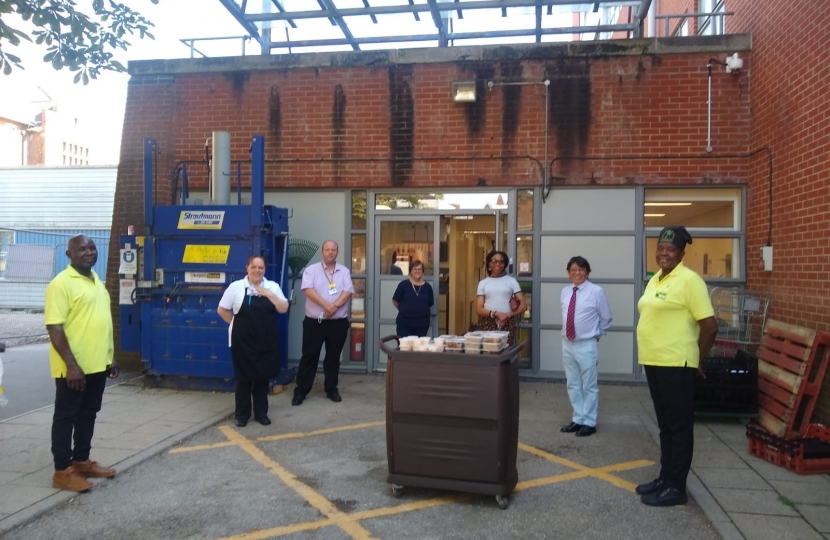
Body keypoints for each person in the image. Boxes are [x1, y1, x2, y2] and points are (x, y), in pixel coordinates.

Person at [635, 226, 717, 507]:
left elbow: (709, 326)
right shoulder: (656, 279)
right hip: (654, 361)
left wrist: (697, 359)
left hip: (676, 363)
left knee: (679, 427)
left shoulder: (690, 281)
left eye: (670, 250)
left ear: (682, 253)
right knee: (665, 426)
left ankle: (676, 488)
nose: (664, 253)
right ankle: (665, 477)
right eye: (660, 248)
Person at [45, 235, 119, 492]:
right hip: (73, 368)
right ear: (69, 255)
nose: (88, 252)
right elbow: (54, 326)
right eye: (81, 249)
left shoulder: (97, 281)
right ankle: (62, 470)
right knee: (66, 417)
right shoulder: (61, 284)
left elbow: (101, 322)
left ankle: (81, 460)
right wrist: (72, 365)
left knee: (88, 414)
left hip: (98, 364)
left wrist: (110, 357)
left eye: (92, 247)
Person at [218, 255, 289, 427]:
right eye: (254, 267)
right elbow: (222, 310)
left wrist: (267, 293)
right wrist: (237, 326)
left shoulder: (272, 286)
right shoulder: (235, 287)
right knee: (243, 379)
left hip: (266, 341)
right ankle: (241, 415)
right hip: (242, 342)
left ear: (264, 269)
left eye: (261, 267)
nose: (257, 270)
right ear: (247, 267)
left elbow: (283, 308)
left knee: (262, 379)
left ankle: (261, 413)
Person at [292, 240, 354, 406]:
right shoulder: (311, 270)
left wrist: (334, 307)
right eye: (327, 249)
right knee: (309, 356)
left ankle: (331, 389)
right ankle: (301, 391)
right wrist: (327, 305)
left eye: (333, 250)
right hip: (315, 322)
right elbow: (308, 290)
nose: (330, 252)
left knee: (333, 358)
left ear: (337, 252)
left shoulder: (344, 271)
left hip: (338, 323)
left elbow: (347, 291)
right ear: (322, 251)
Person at [559, 256, 613, 438]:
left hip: (586, 345)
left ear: (587, 272)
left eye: (581, 269)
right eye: (573, 270)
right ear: (568, 273)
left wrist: (595, 336)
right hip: (567, 344)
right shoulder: (565, 291)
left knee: (589, 385)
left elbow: (606, 318)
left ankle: (589, 422)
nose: (577, 273)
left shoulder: (596, 291)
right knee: (573, 384)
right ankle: (578, 418)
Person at [474, 250, 527, 345]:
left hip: (507, 322)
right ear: (489, 263)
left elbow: (523, 306)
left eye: (501, 262)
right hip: (488, 322)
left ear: (505, 265)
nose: (497, 264)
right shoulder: (483, 283)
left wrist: (508, 315)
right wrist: (496, 314)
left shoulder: (511, 281)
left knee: (505, 351)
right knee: (489, 350)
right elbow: (478, 309)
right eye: (494, 261)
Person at [392, 260, 434, 337]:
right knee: (404, 347)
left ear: (423, 272)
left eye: (419, 269)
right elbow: (395, 301)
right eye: (414, 269)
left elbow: (430, 303)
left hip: (422, 325)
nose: (417, 271)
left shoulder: (428, 287)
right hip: (404, 323)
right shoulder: (403, 285)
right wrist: (403, 309)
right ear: (410, 271)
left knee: (419, 348)